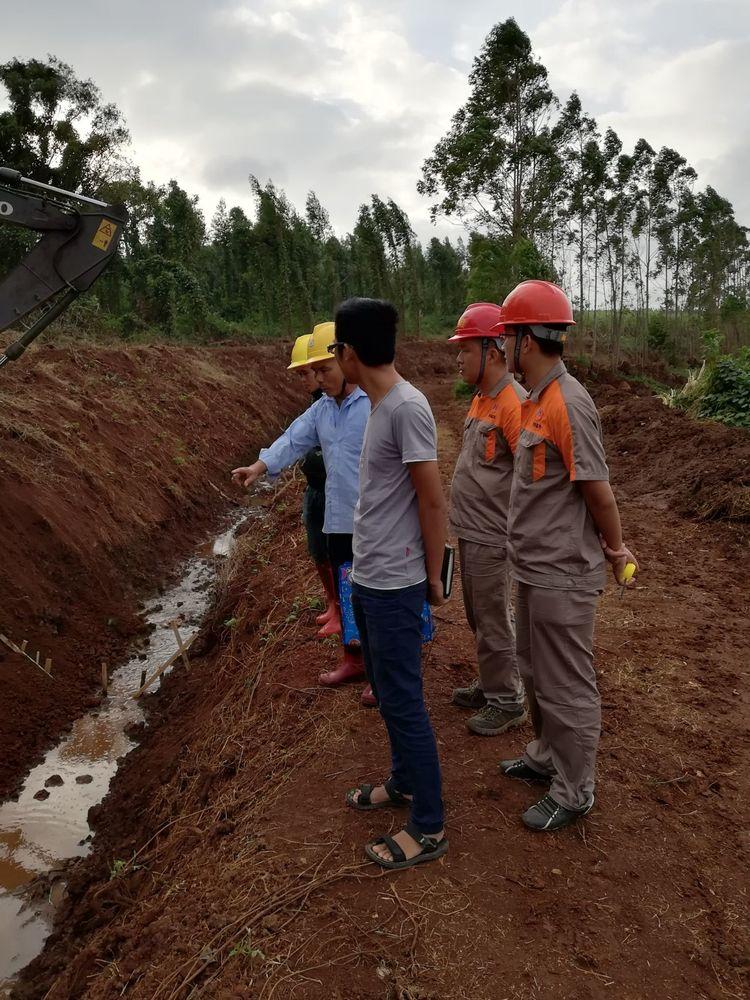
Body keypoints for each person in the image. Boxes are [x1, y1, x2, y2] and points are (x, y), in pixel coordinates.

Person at [497, 280, 638, 832]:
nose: (504, 346)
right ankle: (546, 757)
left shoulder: (568, 403)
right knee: (533, 670)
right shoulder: (536, 400)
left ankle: (575, 790)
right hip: (533, 567)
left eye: (508, 336)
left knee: (565, 682)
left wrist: (616, 549)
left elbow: (598, 491)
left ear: (526, 341)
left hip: (562, 572)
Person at [333, 297, 449, 871]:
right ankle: (402, 782)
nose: (335, 358)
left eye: (336, 349)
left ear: (350, 352)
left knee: (404, 702)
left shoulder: (407, 408)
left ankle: (428, 826)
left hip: (397, 584)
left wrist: (433, 579)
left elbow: (432, 497)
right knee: (387, 691)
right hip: (370, 577)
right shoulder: (379, 406)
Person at [231, 322, 370, 689]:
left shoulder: (374, 403)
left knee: (378, 598)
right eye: (317, 371)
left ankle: (385, 671)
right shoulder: (323, 410)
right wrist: (259, 467)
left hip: (375, 522)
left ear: (347, 360)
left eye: (325, 369)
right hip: (339, 520)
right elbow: (292, 439)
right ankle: (354, 659)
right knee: (347, 590)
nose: (319, 378)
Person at [448, 302, 528, 736]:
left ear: (492, 350)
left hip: (495, 536)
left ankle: (508, 699)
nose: (458, 358)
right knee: (478, 613)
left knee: (494, 614)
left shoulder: (513, 405)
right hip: (472, 529)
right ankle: (492, 681)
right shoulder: (482, 399)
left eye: (464, 349)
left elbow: (528, 479)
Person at [287, 334, 340, 636]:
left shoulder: (341, 403)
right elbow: (294, 438)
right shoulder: (317, 404)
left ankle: (341, 609)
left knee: (336, 554)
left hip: (333, 493)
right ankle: (333, 603)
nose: (307, 379)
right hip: (316, 491)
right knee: (319, 551)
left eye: (307, 373)